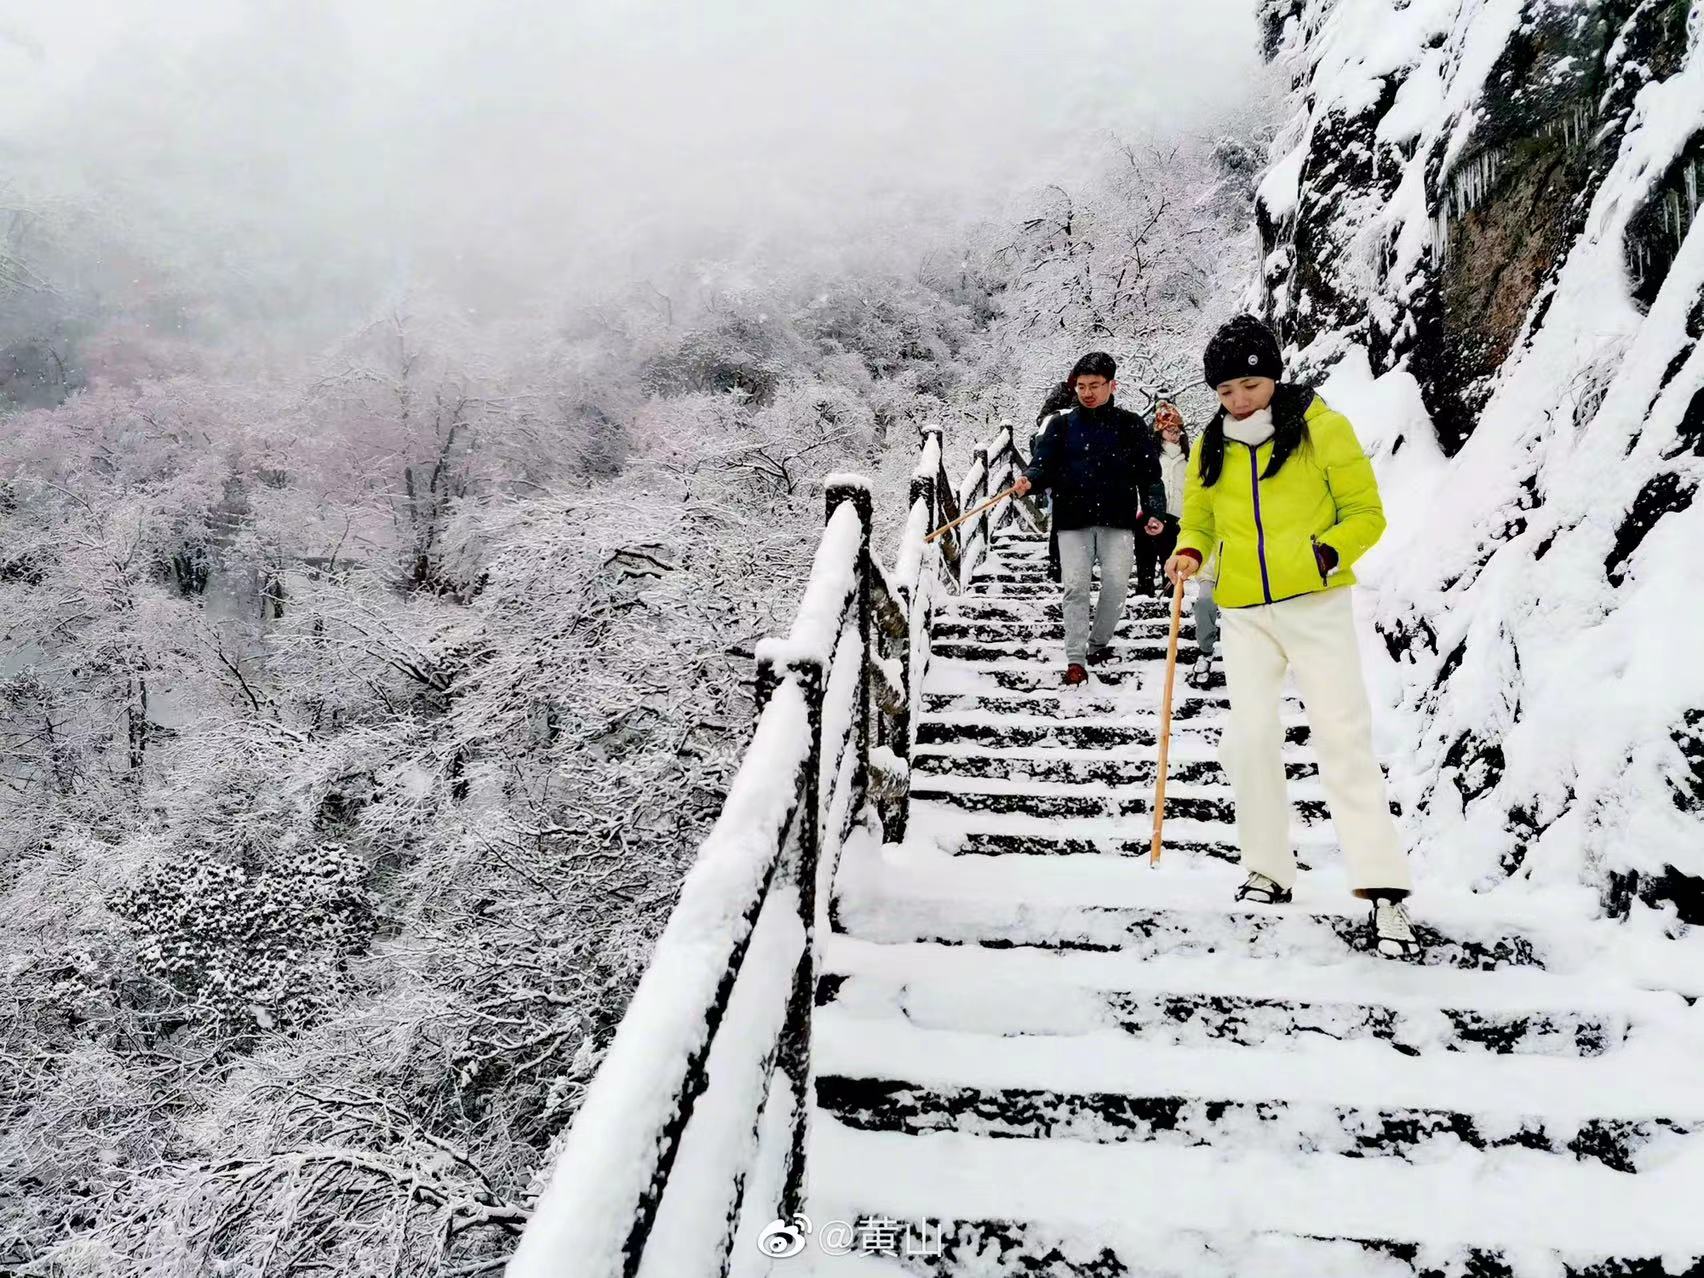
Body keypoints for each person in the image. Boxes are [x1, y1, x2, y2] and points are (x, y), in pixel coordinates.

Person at [1164, 315, 1420, 959]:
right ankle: (1267, 869)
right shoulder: (1210, 444)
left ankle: (1382, 886)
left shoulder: (1322, 428)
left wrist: (1327, 553)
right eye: (1225, 391)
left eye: (1249, 384)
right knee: (1248, 737)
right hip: (1245, 609)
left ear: (1273, 376)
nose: (1239, 399)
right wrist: (1190, 551)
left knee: (1342, 732)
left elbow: (1367, 511)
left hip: (1315, 601)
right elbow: (1198, 515)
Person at [1013, 352, 1167, 685]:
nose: (1087, 393)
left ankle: (1097, 644)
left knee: (1115, 587)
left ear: (1112, 385)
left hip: (1118, 519)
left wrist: (1154, 511)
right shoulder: (1061, 425)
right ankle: (1076, 658)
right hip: (1072, 521)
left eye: (1095, 385)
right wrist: (1030, 480)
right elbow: (1043, 464)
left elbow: (1150, 474)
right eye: (1081, 386)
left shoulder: (1130, 425)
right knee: (1076, 588)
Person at [1134, 401, 1188, 595]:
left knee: (1171, 557)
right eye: (1170, 430)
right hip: (1149, 514)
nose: (1174, 435)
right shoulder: (1150, 456)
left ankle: (1172, 593)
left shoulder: (1187, 458)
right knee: (1145, 556)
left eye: (1177, 430)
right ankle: (1144, 589)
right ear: (1160, 431)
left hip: (1176, 515)